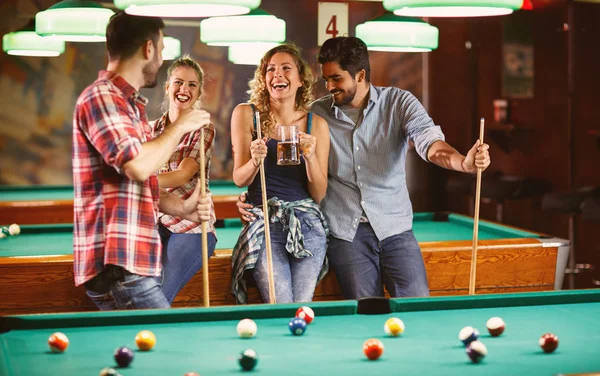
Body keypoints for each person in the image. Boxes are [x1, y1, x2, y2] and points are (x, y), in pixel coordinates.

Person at [238, 36, 491, 300]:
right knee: (367, 309)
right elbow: (294, 177)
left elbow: (431, 143)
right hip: (346, 234)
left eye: (336, 79)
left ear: (360, 75)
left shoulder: (398, 103)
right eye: (326, 79)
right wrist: (252, 197)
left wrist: (463, 162)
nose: (329, 86)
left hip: (395, 229)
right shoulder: (316, 115)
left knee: (417, 303)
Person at [72, 12, 212, 310]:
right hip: (120, 266)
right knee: (165, 347)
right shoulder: (102, 97)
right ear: (148, 49)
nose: (160, 60)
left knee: (144, 353)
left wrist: (184, 209)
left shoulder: (130, 106)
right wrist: (180, 127)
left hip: (129, 264)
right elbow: (136, 166)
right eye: (161, 50)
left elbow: (139, 184)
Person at [230, 44, 330, 304]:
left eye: (286, 68)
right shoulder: (246, 114)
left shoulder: (316, 124)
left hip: (307, 223)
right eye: (271, 69)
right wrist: (254, 160)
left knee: (302, 304)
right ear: (264, 80)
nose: (277, 75)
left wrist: (309, 157)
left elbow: (319, 194)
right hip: (265, 221)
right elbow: (240, 179)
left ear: (300, 80)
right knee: (281, 303)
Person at [152, 56, 217, 305]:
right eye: (178, 83)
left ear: (199, 91)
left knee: (159, 294)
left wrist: (139, 180)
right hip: (155, 222)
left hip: (193, 226)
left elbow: (183, 174)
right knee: (137, 287)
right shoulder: (150, 130)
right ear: (167, 86)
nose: (184, 90)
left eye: (192, 85)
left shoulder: (203, 128)